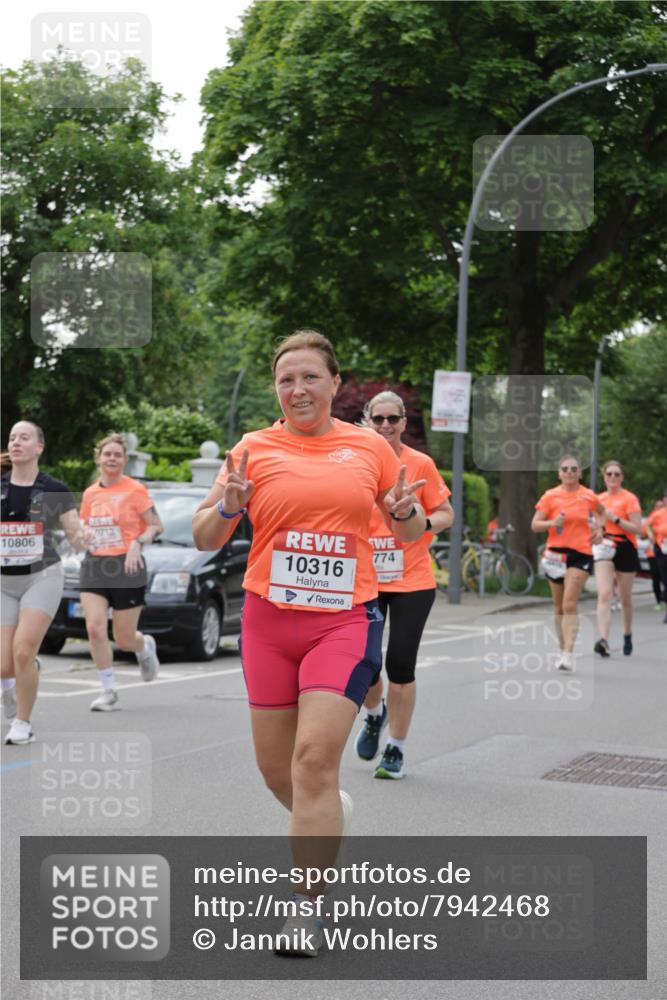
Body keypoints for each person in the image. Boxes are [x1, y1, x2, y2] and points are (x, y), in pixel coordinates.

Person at [192, 330, 426, 956]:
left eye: (310, 377)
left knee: (313, 763)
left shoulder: (368, 448)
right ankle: (328, 813)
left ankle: (306, 911)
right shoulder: (253, 448)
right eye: (286, 379)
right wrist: (230, 507)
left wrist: (405, 512)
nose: (297, 389)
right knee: (277, 774)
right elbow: (203, 537)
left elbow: (410, 532)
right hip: (269, 623)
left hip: (343, 620)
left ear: (333, 383)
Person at [355, 390, 453, 779]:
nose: (384, 426)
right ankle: (374, 715)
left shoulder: (420, 463)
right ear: (367, 420)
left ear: (403, 422)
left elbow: (446, 512)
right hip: (364, 578)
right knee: (364, 664)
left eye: (392, 419)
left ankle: (395, 748)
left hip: (412, 579)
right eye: (377, 419)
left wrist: (422, 525)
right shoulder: (355, 463)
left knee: (400, 665)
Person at [1, 421, 84, 744]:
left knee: (22, 652)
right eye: (12, 438)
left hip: (42, 576)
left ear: (39, 447)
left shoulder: (55, 489)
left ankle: (23, 723)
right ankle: (16, 678)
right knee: (5, 664)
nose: (16, 442)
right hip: (4, 581)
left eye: (24, 437)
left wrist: (83, 536)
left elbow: (75, 535)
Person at [80, 433, 163, 711]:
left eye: (117, 454)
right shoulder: (91, 493)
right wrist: (84, 536)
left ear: (124, 460)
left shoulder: (136, 490)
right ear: (99, 458)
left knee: (124, 639)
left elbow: (155, 525)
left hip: (128, 566)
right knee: (94, 627)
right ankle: (109, 690)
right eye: (107, 454)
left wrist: (137, 543)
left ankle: (143, 646)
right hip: (95, 564)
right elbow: (84, 527)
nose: (112, 459)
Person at [531, 456, 604, 671]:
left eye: (574, 469)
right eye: (565, 469)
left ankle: (568, 653)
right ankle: (562, 648)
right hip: (555, 554)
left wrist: (600, 530)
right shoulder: (550, 496)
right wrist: (553, 522)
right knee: (558, 606)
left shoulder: (589, 496)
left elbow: (603, 514)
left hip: (580, 553)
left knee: (569, 603)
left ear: (580, 473)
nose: (569, 472)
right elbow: (535, 525)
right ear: (559, 473)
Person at [593, 461, 641, 656]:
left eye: (616, 474)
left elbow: (637, 528)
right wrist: (597, 532)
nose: (612, 477)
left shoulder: (629, 499)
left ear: (622, 477)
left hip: (625, 547)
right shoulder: (598, 499)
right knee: (604, 593)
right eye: (609, 474)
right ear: (604, 477)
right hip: (605, 545)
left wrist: (616, 519)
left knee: (625, 597)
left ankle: (627, 633)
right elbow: (597, 525)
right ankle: (603, 640)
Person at [646, 488, 667, 625]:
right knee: (665, 579)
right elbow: (647, 525)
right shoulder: (658, 514)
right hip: (662, 549)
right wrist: (651, 536)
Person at [643, 500, 665, 610]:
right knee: (656, 577)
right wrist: (651, 534)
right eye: (658, 506)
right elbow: (643, 531)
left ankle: (664, 598)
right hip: (652, 553)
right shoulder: (654, 516)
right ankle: (658, 600)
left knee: (664, 577)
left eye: (661, 506)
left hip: (663, 551)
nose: (660, 508)